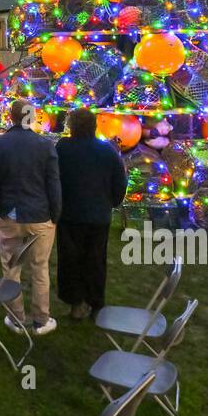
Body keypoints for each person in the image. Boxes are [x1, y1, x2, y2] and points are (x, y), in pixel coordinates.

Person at [0, 101, 62, 335]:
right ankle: (41, 319)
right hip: (40, 215)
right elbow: (53, 184)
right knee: (40, 268)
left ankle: (17, 318)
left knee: (11, 267)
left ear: (11, 116)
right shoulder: (45, 145)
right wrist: (55, 214)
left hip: (10, 214)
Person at [55, 108, 126, 320]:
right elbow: (120, 181)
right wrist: (112, 202)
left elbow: (53, 177)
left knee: (70, 260)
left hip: (70, 214)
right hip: (98, 215)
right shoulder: (108, 151)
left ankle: (76, 304)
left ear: (73, 126)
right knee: (96, 259)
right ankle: (95, 303)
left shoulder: (63, 148)